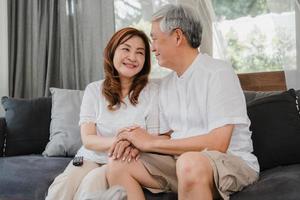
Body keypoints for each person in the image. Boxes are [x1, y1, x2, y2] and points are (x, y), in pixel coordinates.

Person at [106, 4, 260, 200]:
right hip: (182, 163)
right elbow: (168, 137)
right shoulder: (166, 84)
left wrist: (150, 143)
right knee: (118, 162)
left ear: (177, 37)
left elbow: (218, 143)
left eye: (154, 38)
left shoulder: (218, 73)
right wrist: (136, 142)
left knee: (189, 163)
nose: (152, 48)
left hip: (230, 162)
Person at [46, 27, 167, 200]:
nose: (132, 57)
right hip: (89, 157)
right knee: (63, 185)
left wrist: (131, 145)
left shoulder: (152, 92)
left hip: (123, 162)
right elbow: (88, 139)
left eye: (140, 52)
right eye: (126, 49)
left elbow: (153, 137)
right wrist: (122, 141)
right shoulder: (94, 90)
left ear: (145, 60)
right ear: (112, 51)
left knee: (91, 185)